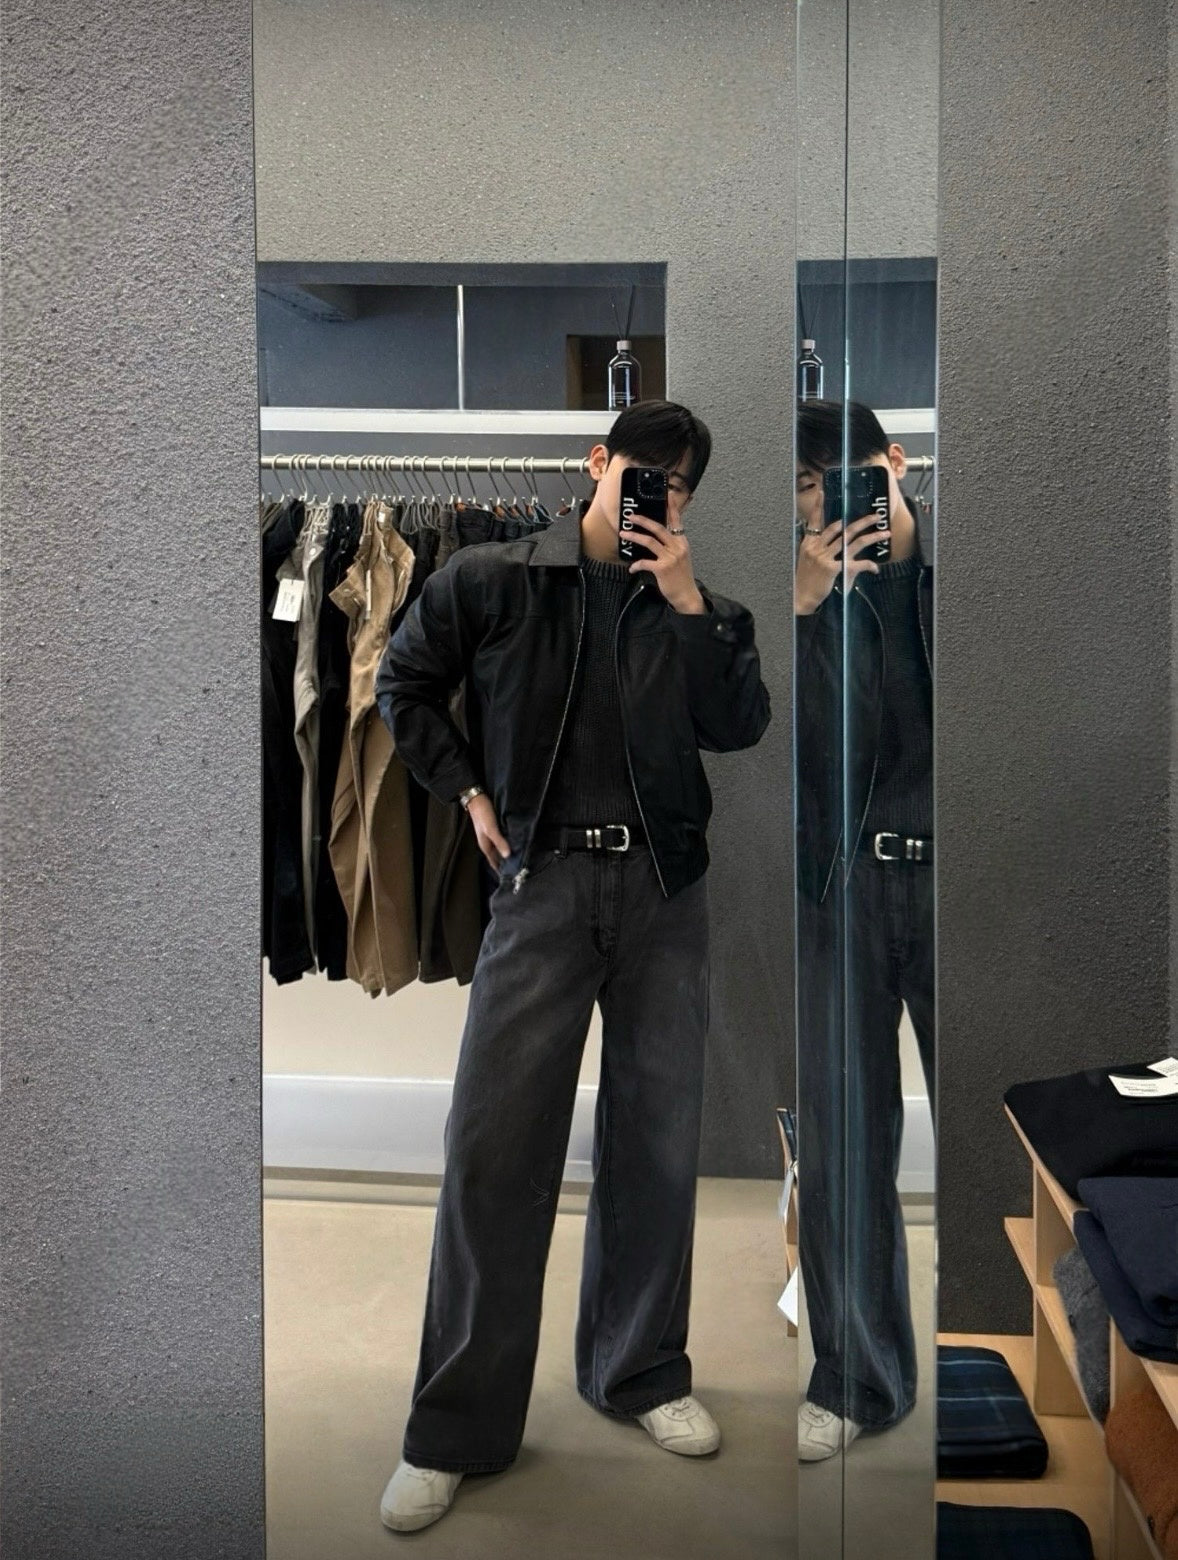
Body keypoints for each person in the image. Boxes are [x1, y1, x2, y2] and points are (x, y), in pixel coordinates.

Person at [373, 400, 771, 1532]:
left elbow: (739, 725)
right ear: (597, 463)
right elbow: (401, 683)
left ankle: (637, 1371)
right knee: (493, 1152)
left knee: (656, 1142)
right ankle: (454, 1428)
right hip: (540, 886)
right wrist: (466, 790)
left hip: (662, 895)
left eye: (677, 486)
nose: (656, 496)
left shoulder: (699, 608)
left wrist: (688, 604)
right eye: (642, 471)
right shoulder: (494, 580)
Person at [793, 399, 935, 1462]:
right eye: (809, 489)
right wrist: (805, 606)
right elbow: (762, 743)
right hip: (842, 889)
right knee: (843, 1146)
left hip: (964, 889)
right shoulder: (802, 595)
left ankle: (1016, 1348)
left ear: (895, 464)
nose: (828, 504)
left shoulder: (969, 576)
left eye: (845, 479)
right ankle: (854, 1379)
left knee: (997, 1129)